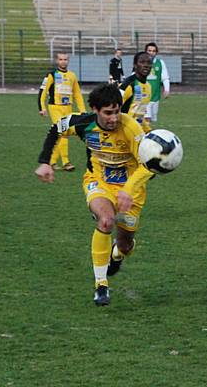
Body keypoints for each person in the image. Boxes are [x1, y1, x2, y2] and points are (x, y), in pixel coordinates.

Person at [35, 84, 154, 306]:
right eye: (108, 112)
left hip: (131, 190)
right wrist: (44, 162)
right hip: (98, 182)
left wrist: (129, 190)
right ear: (95, 110)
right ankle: (101, 285)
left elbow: (147, 166)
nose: (114, 117)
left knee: (126, 243)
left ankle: (117, 253)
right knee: (106, 221)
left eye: (117, 111)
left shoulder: (131, 129)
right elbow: (56, 128)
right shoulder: (83, 123)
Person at [38, 52, 86, 171]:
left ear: (68, 61)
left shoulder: (72, 76)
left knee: (60, 134)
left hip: (67, 108)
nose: (63, 61)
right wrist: (42, 107)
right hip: (55, 107)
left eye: (65, 59)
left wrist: (83, 110)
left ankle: (52, 161)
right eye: (60, 59)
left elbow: (77, 94)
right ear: (57, 61)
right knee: (63, 132)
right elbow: (42, 92)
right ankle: (66, 162)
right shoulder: (51, 75)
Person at [119, 51, 152, 133]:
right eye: (142, 62)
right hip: (123, 131)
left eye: (149, 63)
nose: (146, 65)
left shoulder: (148, 87)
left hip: (137, 131)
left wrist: (148, 130)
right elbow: (113, 107)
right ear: (135, 65)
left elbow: (139, 113)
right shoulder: (128, 85)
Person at [144, 42, 170, 126]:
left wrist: (167, 89)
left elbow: (165, 77)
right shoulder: (141, 62)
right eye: (149, 50)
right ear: (145, 51)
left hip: (155, 95)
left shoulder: (160, 63)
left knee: (152, 120)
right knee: (146, 119)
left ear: (156, 52)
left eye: (153, 51)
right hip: (144, 96)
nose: (151, 52)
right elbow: (133, 76)